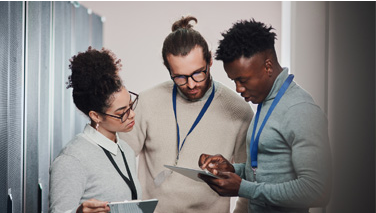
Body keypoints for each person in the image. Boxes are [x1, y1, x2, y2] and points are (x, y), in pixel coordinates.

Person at [119, 16, 254, 213]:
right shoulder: (147, 102)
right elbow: (119, 163)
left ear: (210, 60)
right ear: (168, 69)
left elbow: (247, 181)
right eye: (180, 77)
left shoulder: (239, 112)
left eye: (198, 73)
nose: (191, 84)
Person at [199, 18, 332, 212]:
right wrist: (232, 170)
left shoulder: (300, 109)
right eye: (234, 80)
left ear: (267, 66)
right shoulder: (266, 102)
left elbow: (318, 191)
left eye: (242, 80)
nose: (238, 88)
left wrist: (244, 188)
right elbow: (267, 172)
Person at [49, 47, 142, 213]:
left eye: (131, 105)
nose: (132, 115)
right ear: (96, 116)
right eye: (122, 113)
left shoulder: (125, 150)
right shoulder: (72, 159)